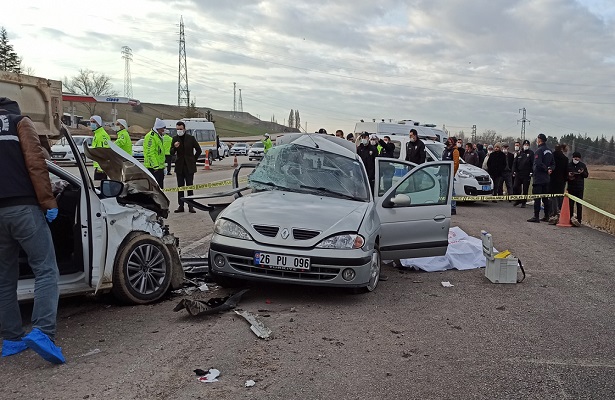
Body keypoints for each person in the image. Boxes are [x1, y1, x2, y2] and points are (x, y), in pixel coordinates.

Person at [0, 97, 65, 364]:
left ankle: (11, 340)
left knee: (4, 279)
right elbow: (37, 165)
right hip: (23, 208)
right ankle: (43, 332)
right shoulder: (20, 122)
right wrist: (49, 202)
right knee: (46, 269)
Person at [170, 121, 202, 213]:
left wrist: (193, 160)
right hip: (179, 166)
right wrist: (175, 147)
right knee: (180, 187)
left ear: (184, 129)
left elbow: (198, 150)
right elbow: (171, 152)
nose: (179, 131)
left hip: (189, 166)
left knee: (189, 186)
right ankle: (181, 205)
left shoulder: (190, 138)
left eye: (180, 129)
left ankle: (191, 206)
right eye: (177, 129)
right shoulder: (175, 138)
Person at [527, 133, 555, 223]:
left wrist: (546, 169)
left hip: (538, 178)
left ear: (539, 140)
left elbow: (538, 163)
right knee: (545, 198)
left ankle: (536, 216)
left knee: (537, 198)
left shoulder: (539, 150)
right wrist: (550, 169)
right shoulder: (550, 151)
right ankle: (546, 216)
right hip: (547, 179)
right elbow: (553, 163)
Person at [567, 152, 588, 227]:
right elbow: (565, 175)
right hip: (571, 187)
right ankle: (570, 218)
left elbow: (586, 175)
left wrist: (582, 172)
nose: (576, 159)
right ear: (572, 157)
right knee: (570, 204)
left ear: (580, 158)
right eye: (575, 157)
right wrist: (569, 175)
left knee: (579, 205)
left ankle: (579, 220)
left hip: (579, 187)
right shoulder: (569, 165)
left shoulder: (582, 165)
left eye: (578, 157)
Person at [144, 118, 167, 188]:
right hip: (153, 169)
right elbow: (150, 153)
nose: (164, 131)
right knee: (155, 189)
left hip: (159, 168)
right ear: (158, 129)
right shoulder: (151, 137)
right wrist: (155, 166)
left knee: (160, 189)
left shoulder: (158, 137)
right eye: (163, 129)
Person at [549, 144, 569, 219]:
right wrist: (566, 179)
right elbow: (566, 171)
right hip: (561, 180)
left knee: (552, 196)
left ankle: (553, 213)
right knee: (560, 196)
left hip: (552, 179)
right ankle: (560, 211)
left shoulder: (552, 156)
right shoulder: (565, 159)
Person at [512, 139, 534, 207]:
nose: (526, 146)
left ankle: (524, 202)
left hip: (526, 174)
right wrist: (514, 171)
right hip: (519, 173)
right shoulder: (519, 153)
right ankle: (518, 200)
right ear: (523, 145)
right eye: (525, 145)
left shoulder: (531, 153)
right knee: (515, 187)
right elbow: (515, 162)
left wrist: (531, 172)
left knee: (525, 189)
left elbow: (533, 163)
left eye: (527, 145)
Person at [442, 137, 460, 215]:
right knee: (443, 191)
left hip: (449, 174)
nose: (447, 142)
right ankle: (443, 206)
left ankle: (453, 208)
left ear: (452, 142)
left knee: (451, 191)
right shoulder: (445, 150)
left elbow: (456, 164)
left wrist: (452, 173)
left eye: (449, 141)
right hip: (443, 173)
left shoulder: (455, 151)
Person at [90, 115, 110, 180]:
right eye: (91, 122)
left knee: (99, 187)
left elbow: (104, 152)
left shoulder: (102, 135)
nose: (92, 124)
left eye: (94, 122)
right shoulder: (97, 134)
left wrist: (100, 168)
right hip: (98, 166)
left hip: (101, 168)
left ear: (98, 123)